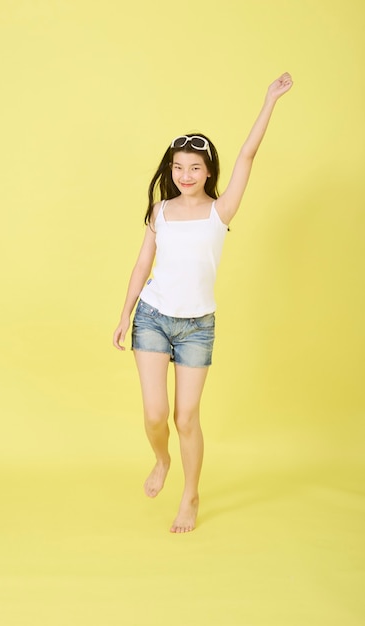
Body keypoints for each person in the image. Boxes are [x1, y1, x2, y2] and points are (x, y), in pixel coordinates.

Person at [113, 73, 293, 533]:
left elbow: (249, 154)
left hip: (196, 327)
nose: (185, 176)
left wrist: (269, 100)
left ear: (208, 171)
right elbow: (140, 266)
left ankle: (190, 495)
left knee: (186, 416)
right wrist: (125, 314)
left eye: (194, 168)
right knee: (155, 415)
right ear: (170, 169)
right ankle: (161, 459)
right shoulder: (160, 211)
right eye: (178, 167)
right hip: (152, 318)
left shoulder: (222, 209)